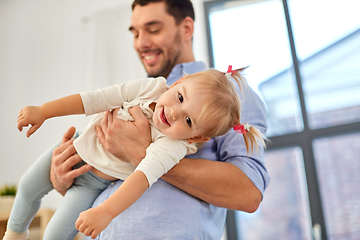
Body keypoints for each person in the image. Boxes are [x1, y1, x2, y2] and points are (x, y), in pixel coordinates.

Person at [47, 0, 269, 239]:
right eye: (135, 33)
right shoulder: (137, 98)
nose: (141, 43)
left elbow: (249, 193)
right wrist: (67, 180)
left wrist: (143, 154)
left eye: (153, 29)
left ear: (186, 29)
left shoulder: (228, 100)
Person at [4, 67, 264, 240]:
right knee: (27, 187)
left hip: (92, 185)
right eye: (180, 98)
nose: (174, 113)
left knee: (53, 235)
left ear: (196, 137)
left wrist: (106, 212)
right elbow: (94, 99)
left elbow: (141, 179)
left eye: (188, 121)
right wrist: (44, 111)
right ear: (179, 82)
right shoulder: (150, 88)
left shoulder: (173, 146)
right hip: (75, 146)